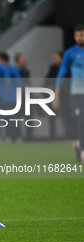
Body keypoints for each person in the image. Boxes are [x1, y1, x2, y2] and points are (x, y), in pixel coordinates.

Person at [54, 24, 84, 162]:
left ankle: (78, 144)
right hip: (77, 93)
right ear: (74, 36)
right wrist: (57, 93)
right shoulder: (70, 53)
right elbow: (62, 72)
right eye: (78, 35)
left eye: (82, 35)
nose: (80, 38)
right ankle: (82, 149)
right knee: (81, 120)